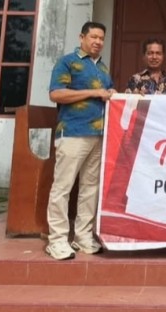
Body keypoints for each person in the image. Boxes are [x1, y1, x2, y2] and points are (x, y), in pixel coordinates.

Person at [45, 21, 115, 260]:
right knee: (62, 187)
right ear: (82, 37)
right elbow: (56, 93)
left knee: (90, 188)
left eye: (101, 38)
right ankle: (57, 240)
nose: (97, 42)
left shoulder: (103, 69)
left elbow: (108, 93)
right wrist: (93, 92)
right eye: (93, 37)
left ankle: (83, 236)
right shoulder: (68, 62)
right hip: (73, 132)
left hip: (98, 136)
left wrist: (111, 94)